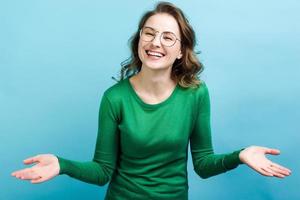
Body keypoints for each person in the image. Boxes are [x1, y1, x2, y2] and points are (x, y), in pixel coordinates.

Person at [11, 2, 291, 200]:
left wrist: (240, 156)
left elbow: (203, 165)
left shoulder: (196, 94)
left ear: (181, 50)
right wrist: (62, 165)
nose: (155, 42)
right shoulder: (115, 98)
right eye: (149, 32)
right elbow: (102, 171)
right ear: (139, 40)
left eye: (168, 37)